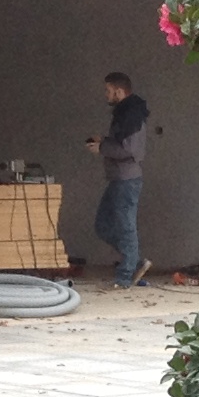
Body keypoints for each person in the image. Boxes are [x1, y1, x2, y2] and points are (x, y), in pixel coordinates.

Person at [85, 71, 151, 288]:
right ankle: (136, 263)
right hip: (119, 179)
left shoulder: (131, 114)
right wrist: (103, 141)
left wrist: (102, 147)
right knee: (103, 226)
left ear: (119, 91)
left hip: (126, 179)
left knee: (125, 227)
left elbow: (129, 150)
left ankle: (125, 276)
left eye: (108, 90)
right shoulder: (127, 112)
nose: (106, 94)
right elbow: (123, 143)